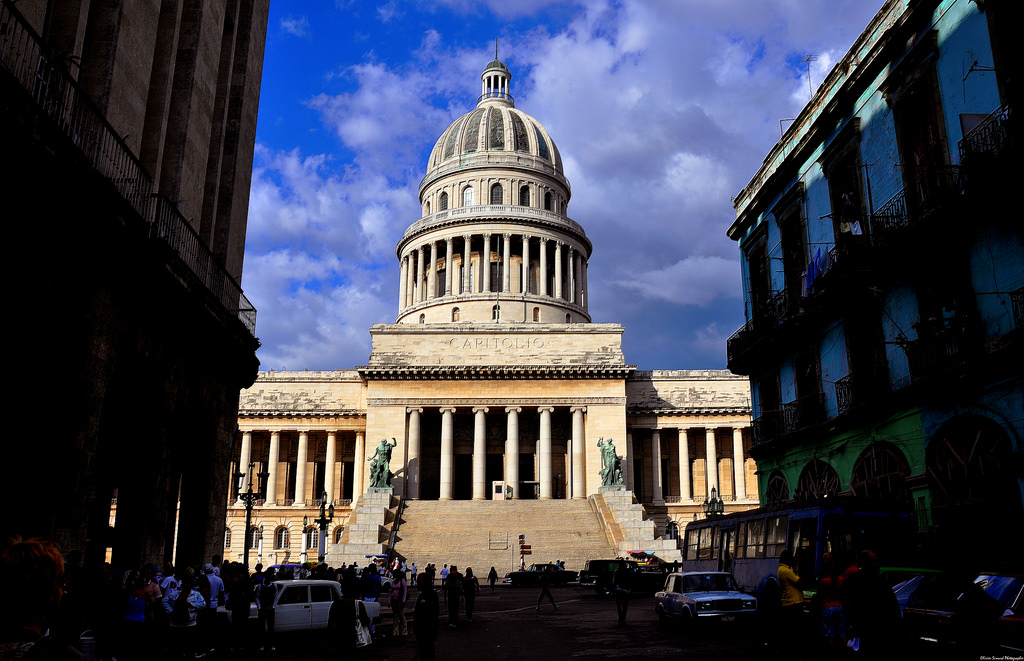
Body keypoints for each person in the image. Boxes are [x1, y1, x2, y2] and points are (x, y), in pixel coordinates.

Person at [840, 550, 903, 659]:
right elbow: (847, 604)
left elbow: (891, 606)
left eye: (876, 560)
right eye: (874, 561)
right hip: (866, 628)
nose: (877, 564)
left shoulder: (879, 581)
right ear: (865, 563)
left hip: (878, 629)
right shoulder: (857, 581)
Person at [777, 549, 806, 656]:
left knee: (790, 629)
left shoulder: (782, 569)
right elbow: (800, 582)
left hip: (789, 603)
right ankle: (792, 651)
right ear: (787, 559)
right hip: (793, 603)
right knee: (794, 629)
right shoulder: (786, 571)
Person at [413, 574, 439, 661]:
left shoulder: (430, 595)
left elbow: (432, 615)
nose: (417, 584)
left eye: (419, 582)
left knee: (427, 653)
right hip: (422, 631)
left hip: (426, 631)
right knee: (423, 653)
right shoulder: (423, 595)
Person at [256, 567, 277, 652]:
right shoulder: (260, 586)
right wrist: (259, 607)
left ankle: (271, 644)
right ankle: (262, 644)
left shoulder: (273, 585)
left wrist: (273, 606)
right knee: (262, 627)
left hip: (269, 608)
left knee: (271, 627)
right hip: (263, 608)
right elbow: (257, 597)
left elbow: (276, 597)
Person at [389, 569, 409, 636]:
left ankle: (404, 630)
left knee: (401, 615)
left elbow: (405, 591)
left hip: (400, 600)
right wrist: (389, 601)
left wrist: (403, 600)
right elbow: (391, 592)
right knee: (395, 616)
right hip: (394, 600)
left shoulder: (402, 581)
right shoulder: (394, 581)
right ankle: (395, 631)